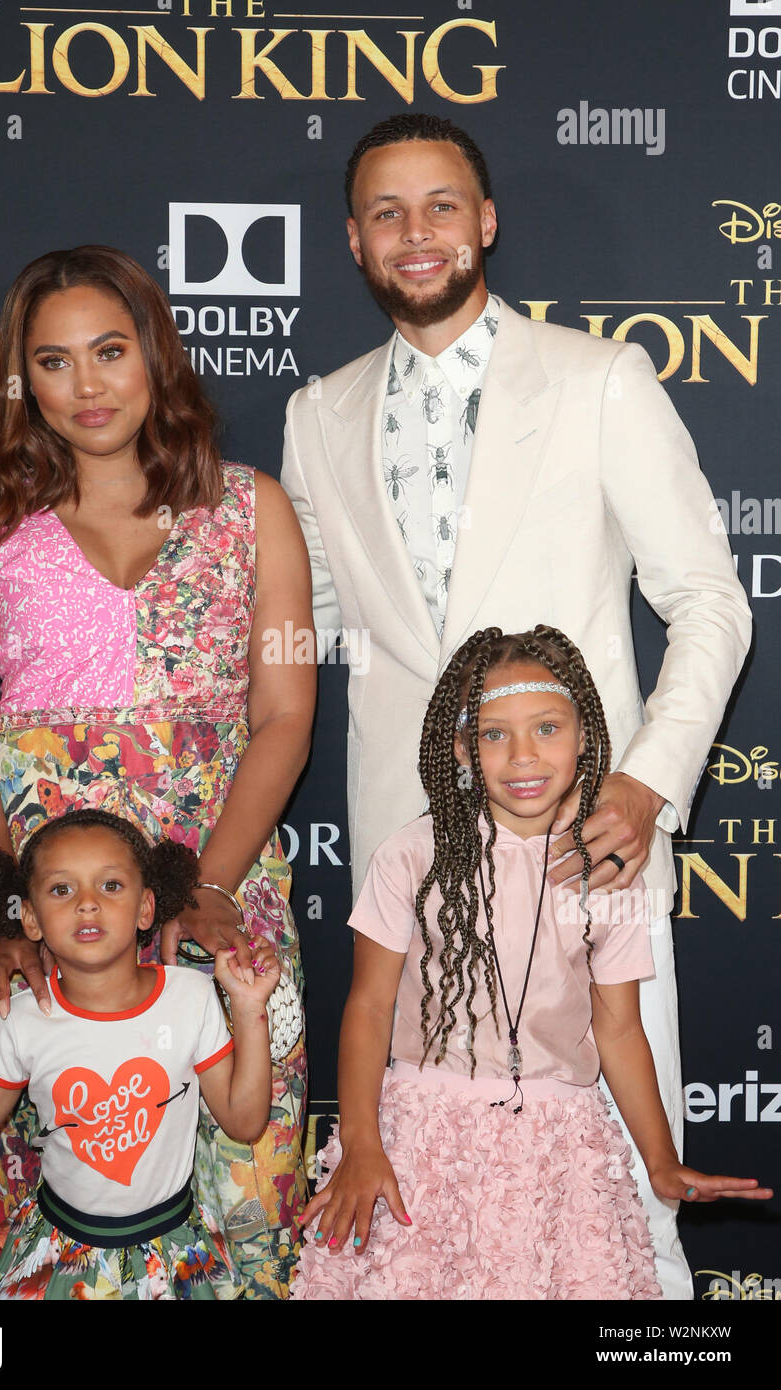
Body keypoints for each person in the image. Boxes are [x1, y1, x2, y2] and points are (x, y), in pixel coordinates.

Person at [280, 113, 752, 1298]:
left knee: (628, 1194)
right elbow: (306, 626)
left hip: (590, 833)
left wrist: (647, 781)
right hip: (411, 843)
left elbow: (707, 599)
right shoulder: (316, 414)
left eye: (441, 204)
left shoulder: (599, 379)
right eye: (387, 212)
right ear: (353, 242)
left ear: (485, 222)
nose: (417, 232)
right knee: (417, 1207)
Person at [0, 245, 315, 1300]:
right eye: (54, 361)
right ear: (24, 380)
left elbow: (283, 715)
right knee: (27, 1159)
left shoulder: (253, 510)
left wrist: (213, 887)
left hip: (218, 878)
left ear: (157, 357)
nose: (87, 385)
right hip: (42, 902)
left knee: (248, 1147)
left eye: (109, 351)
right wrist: (5, 907)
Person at [289, 628, 771, 1301]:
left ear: (585, 738)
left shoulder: (609, 876)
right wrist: (364, 1143)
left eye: (547, 728)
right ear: (461, 748)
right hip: (424, 1144)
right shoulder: (410, 856)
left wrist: (660, 1160)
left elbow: (621, 1030)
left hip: (559, 1155)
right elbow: (368, 1005)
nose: (523, 756)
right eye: (493, 735)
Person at [0, 810, 281, 1300]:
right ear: (31, 919)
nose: (87, 904)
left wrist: (250, 1007)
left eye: (110, 886)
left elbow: (245, 1121)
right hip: (59, 1261)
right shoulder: (23, 1021)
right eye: (63, 890)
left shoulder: (191, 998)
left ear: (146, 909)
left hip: (176, 1260)